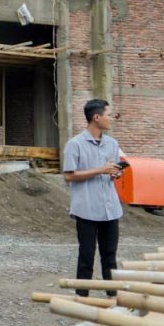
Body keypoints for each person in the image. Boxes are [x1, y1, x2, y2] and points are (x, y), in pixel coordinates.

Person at [63, 99, 126, 297]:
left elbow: (112, 172)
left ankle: (113, 297)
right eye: (109, 115)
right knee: (86, 256)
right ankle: (82, 298)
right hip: (86, 209)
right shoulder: (74, 145)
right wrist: (101, 170)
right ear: (96, 117)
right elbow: (69, 176)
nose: (111, 119)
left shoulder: (112, 144)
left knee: (110, 256)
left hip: (110, 209)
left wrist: (116, 173)